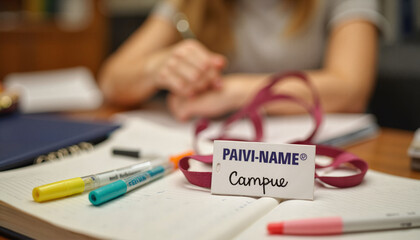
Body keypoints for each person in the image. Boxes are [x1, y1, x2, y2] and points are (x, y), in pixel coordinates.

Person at [99, 0, 383, 121]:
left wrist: (230, 93)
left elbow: (352, 89)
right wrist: (156, 67)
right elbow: (111, 80)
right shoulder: (191, 4)